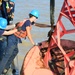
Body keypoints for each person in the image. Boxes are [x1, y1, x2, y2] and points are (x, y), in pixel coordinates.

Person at [0, 9, 39, 75]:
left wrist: (50, 26)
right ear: (34, 17)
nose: (37, 19)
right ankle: (1, 70)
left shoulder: (29, 21)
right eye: (37, 18)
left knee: (15, 51)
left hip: (15, 38)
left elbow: (39, 25)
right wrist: (33, 43)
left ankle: (6, 67)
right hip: (13, 38)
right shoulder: (28, 22)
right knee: (7, 55)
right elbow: (29, 34)